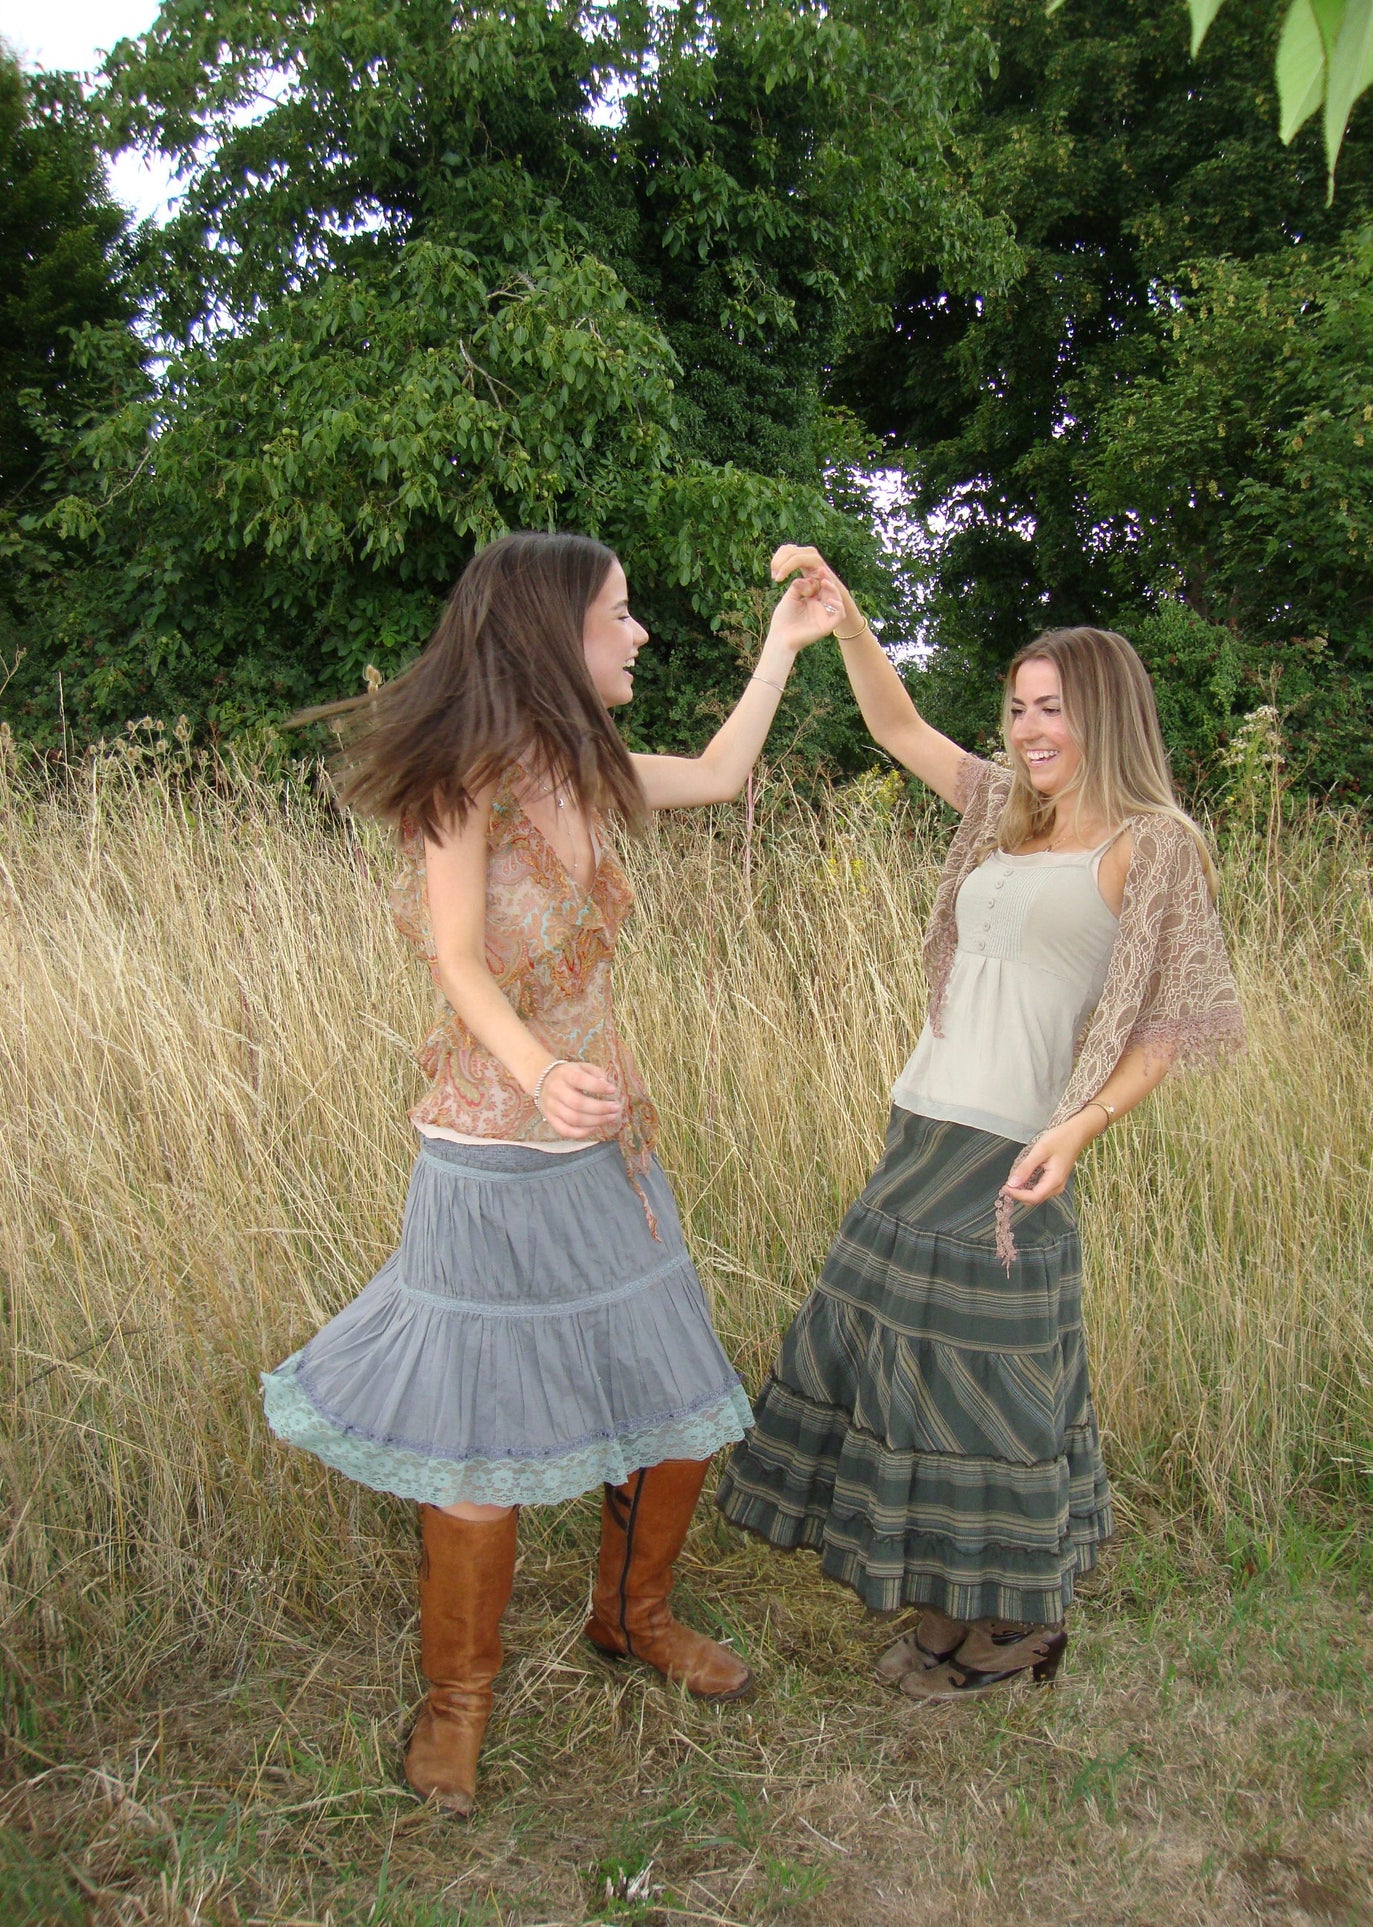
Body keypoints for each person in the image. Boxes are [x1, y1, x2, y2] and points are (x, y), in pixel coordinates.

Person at [262, 531, 840, 1811]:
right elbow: (456, 959)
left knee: (675, 1390)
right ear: (547, 633)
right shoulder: (466, 778)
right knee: (476, 1442)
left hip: (607, 1153)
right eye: (618, 614)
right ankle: (455, 1699)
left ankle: (631, 1620)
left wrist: (784, 649)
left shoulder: (593, 770)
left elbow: (729, 767)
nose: (636, 635)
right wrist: (538, 1073)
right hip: (487, 1159)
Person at [716, 545, 1245, 1698]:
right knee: (907, 1373)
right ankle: (954, 1610)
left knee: (990, 1389)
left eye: (1049, 707)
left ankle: (1016, 1629)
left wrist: (1080, 1126)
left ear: (1103, 712)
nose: (1025, 728)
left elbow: (1169, 1022)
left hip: (1015, 1150)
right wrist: (844, 620)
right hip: (922, 1124)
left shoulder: (1150, 847)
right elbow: (900, 731)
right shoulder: (1004, 813)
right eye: (1014, 708)